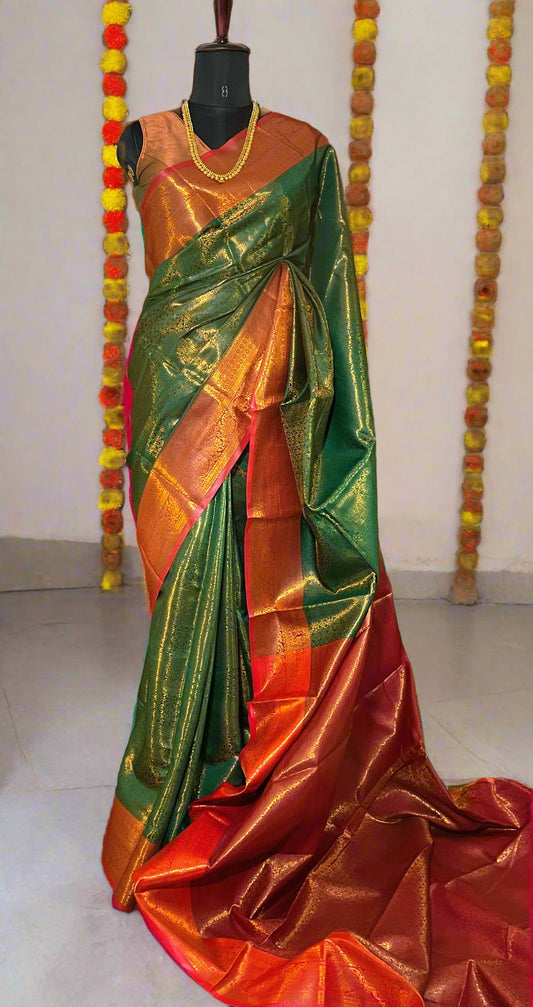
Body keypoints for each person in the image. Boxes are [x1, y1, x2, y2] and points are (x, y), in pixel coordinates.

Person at [102, 12, 531, 1007]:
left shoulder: (303, 153)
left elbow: (327, 298)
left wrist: (305, 411)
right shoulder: (145, 139)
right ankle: (175, 778)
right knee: (182, 602)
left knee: (256, 596)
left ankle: (237, 772)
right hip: (173, 405)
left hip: (269, 411)